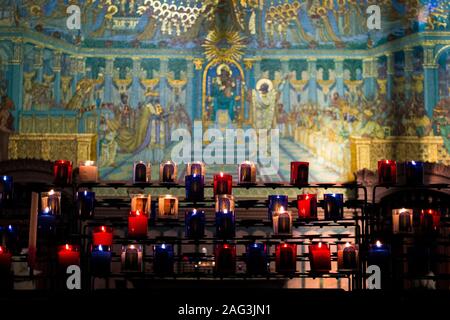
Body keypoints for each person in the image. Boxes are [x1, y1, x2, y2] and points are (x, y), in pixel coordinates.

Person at [0, 95, 14, 161]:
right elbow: (1, 127)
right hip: (3, 135)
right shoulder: (4, 112)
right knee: (3, 153)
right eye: (9, 100)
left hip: (5, 135)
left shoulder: (6, 111)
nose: (11, 101)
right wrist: (11, 131)